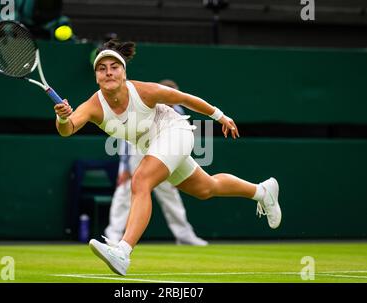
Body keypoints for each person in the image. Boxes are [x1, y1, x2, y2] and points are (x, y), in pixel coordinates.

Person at [54, 39, 282, 276]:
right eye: (102, 68)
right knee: (206, 188)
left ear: (124, 72)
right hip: (155, 146)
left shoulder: (144, 91)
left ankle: (122, 251)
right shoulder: (93, 105)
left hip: (175, 132)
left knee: (141, 180)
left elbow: (183, 98)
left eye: (114, 66)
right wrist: (62, 118)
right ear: (96, 76)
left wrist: (220, 116)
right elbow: (68, 129)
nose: (108, 72)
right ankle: (262, 192)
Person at [104, 79, 208, 247]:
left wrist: (178, 169)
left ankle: (184, 235)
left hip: (166, 157)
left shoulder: (179, 112)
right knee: (125, 193)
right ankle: (114, 234)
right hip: (138, 153)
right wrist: (124, 168)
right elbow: (125, 138)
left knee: (171, 197)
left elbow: (181, 143)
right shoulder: (147, 105)